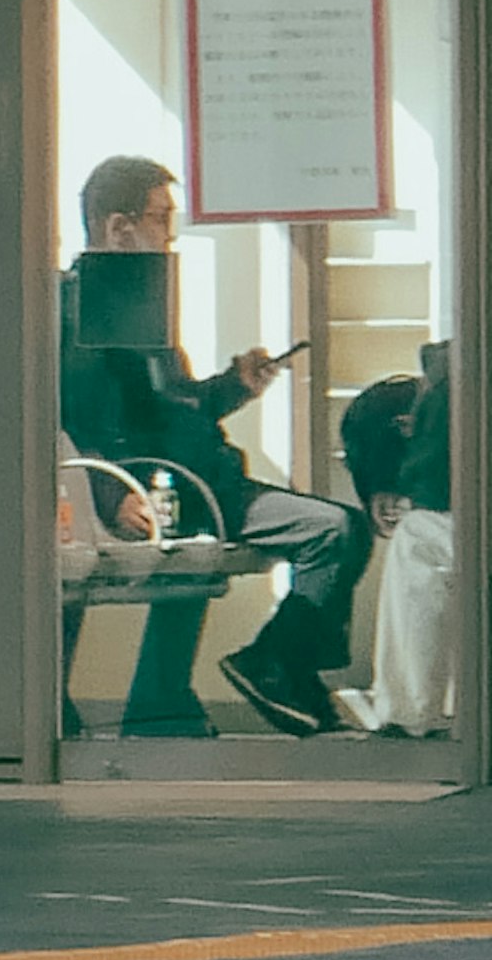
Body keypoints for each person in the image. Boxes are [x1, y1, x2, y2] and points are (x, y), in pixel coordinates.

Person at [63, 153, 370, 737]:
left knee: (328, 530)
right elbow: (80, 417)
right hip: (170, 485)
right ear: (118, 227)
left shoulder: (137, 302)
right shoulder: (89, 307)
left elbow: (168, 409)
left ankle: (166, 704)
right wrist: (109, 494)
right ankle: (267, 667)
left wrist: (234, 386)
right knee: (335, 529)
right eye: (160, 219)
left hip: (193, 477)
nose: (170, 234)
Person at [366, 345, 455, 740]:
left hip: (459, 514)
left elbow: (434, 481)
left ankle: (410, 709)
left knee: (419, 536)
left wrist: (403, 491)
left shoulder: (455, 370)